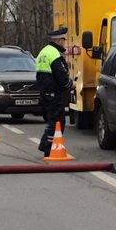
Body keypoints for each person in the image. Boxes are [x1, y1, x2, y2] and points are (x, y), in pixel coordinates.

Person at [36, 27, 73, 156]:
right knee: (58, 121)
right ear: (59, 40)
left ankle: (45, 145)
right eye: (64, 40)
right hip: (54, 92)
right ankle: (49, 148)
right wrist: (70, 85)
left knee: (52, 120)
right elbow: (60, 75)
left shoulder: (43, 52)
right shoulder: (54, 54)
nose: (64, 42)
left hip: (45, 91)